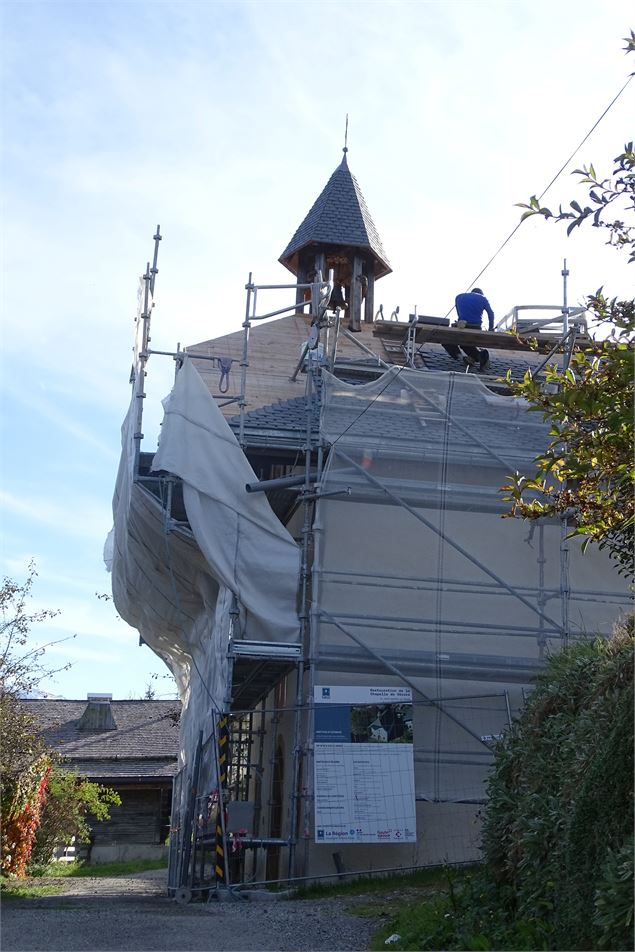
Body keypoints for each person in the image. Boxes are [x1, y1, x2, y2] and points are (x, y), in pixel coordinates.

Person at [444, 288, 495, 371]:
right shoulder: (483, 298)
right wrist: (491, 328)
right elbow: (491, 313)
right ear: (481, 293)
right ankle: (480, 355)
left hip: (462, 326)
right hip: (475, 327)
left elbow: (459, 313)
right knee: (466, 344)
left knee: (446, 340)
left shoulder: (459, 297)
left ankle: (461, 357)